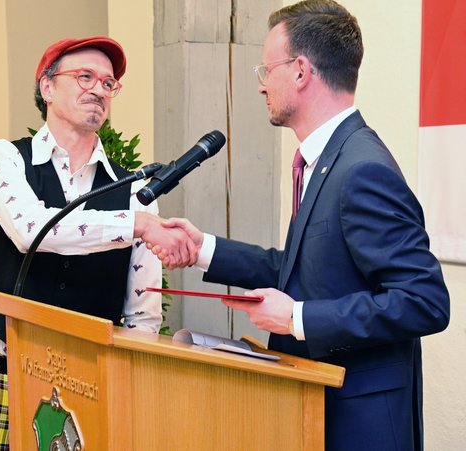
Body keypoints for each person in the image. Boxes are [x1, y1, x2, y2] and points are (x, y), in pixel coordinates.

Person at [154, 1, 450, 450]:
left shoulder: (361, 170)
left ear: (300, 70)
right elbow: (299, 271)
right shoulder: (325, 161)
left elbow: (424, 301)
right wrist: (203, 249)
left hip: (360, 420)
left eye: (265, 69)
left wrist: (297, 318)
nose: (260, 86)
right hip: (318, 404)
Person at [0, 36, 196, 450]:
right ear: (47, 87)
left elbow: (142, 315)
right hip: (4, 379)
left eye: (109, 83)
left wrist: (128, 388)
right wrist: (138, 224)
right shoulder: (1, 159)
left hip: (91, 385)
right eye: (85, 76)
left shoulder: (135, 189)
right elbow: (30, 230)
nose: (99, 90)